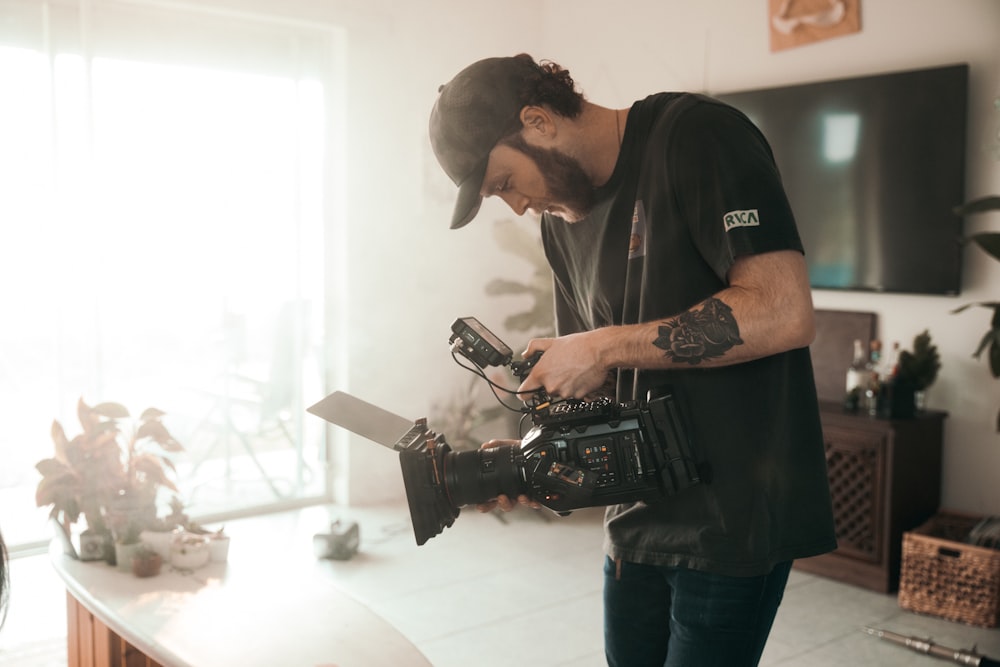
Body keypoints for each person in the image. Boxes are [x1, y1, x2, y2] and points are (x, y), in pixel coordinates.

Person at [428, 54, 837, 667]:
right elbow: (597, 390)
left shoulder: (698, 136)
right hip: (635, 520)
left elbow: (782, 311)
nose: (514, 207)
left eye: (505, 184)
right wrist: (524, 460)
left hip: (733, 520)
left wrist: (600, 344)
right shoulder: (563, 221)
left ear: (537, 122)